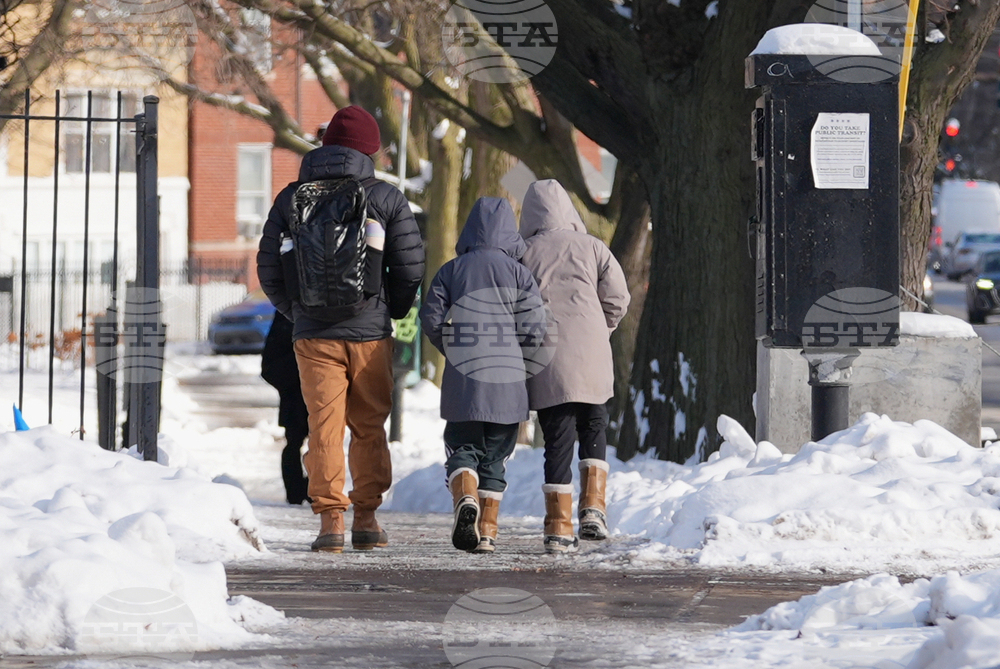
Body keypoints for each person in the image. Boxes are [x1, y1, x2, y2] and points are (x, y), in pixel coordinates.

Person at [257, 106, 424, 553]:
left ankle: (330, 523)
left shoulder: (292, 196)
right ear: (370, 150)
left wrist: (295, 312)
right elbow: (409, 267)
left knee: (322, 426)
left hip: (313, 335)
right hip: (370, 332)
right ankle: (366, 518)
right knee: (369, 426)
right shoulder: (386, 198)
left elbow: (269, 265)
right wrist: (392, 309)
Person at [420, 197, 546, 554]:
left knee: (463, 447)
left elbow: (430, 318)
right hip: (508, 386)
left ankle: (466, 499)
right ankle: (488, 532)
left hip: (464, 383)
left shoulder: (451, 270)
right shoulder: (520, 273)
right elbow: (535, 328)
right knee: (496, 458)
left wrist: (451, 347)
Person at [519, 179, 630, 554]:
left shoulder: (523, 253)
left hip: (547, 359)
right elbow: (618, 296)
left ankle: (558, 526)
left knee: (558, 439)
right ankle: (594, 508)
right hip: (593, 356)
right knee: (594, 424)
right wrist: (602, 329)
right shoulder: (593, 247)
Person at [260, 311, 310, 506]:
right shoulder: (287, 315)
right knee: (294, 442)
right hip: (295, 394)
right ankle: (297, 491)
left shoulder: (287, 314)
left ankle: (316, 487)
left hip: (312, 390)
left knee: (324, 441)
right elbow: (269, 367)